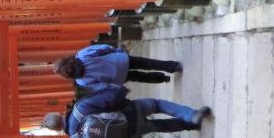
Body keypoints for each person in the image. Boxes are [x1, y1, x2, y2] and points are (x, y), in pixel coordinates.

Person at [42, 86, 212, 138]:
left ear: (57, 129)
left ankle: (191, 125)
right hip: (129, 111)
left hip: (128, 131)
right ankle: (191, 115)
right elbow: (108, 97)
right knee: (158, 105)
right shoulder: (80, 107)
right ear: (59, 115)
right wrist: (122, 93)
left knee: (157, 126)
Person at [53, 45, 182, 92]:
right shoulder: (82, 55)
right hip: (120, 60)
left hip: (118, 77)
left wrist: (114, 85)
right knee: (147, 63)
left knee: (140, 77)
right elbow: (102, 48)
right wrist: (115, 50)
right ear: (66, 59)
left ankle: (163, 78)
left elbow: (101, 86)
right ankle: (172, 66)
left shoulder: (81, 81)